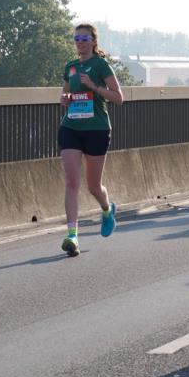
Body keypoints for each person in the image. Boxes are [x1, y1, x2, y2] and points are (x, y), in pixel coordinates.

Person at [58, 22, 124, 257]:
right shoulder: (71, 66)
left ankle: (107, 210)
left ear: (94, 41)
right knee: (71, 182)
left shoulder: (100, 64)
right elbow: (64, 94)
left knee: (93, 185)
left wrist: (94, 87)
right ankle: (72, 235)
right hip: (71, 127)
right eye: (76, 38)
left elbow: (118, 98)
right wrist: (64, 100)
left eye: (84, 38)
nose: (80, 42)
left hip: (96, 129)